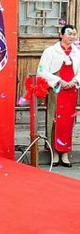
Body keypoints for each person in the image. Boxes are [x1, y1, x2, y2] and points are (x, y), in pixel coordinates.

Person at [37, 24, 80, 167]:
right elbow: (41, 71)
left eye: (74, 34)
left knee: (68, 121)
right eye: (69, 33)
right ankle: (54, 152)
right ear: (61, 35)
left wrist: (74, 81)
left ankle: (65, 152)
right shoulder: (50, 51)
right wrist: (59, 80)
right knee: (54, 118)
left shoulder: (77, 52)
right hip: (56, 89)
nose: (72, 36)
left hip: (71, 90)